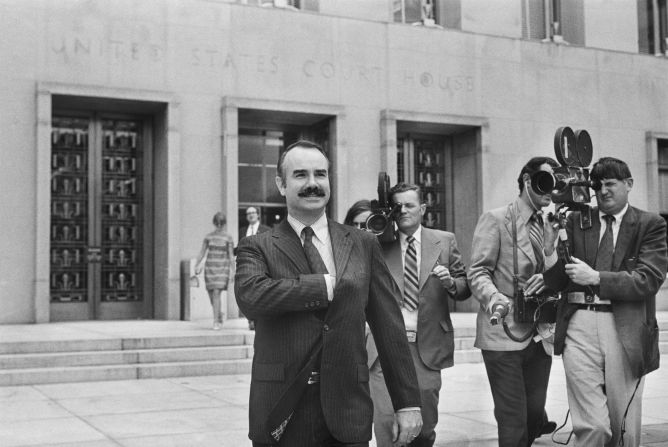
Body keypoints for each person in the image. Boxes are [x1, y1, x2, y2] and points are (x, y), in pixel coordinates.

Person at [235, 140, 423, 447]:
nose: (313, 184)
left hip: (348, 411)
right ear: (281, 185)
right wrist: (323, 286)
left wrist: (407, 402)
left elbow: (389, 327)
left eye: (320, 174)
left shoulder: (363, 243)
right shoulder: (257, 246)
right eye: (300, 175)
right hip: (282, 411)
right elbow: (251, 297)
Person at [543, 157, 668, 446]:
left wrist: (597, 277)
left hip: (624, 328)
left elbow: (648, 280)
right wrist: (550, 247)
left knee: (622, 427)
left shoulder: (650, 224)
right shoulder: (577, 221)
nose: (604, 191)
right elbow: (557, 281)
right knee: (593, 428)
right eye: (598, 185)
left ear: (629, 184)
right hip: (579, 327)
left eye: (611, 184)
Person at [364, 183, 470, 447]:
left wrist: (450, 283)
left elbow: (464, 285)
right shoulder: (379, 242)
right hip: (384, 348)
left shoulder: (444, 240)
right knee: (387, 425)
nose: (404, 211)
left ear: (422, 208)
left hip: (427, 346)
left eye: (409, 205)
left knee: (423, 427)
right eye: (397, 206)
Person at [468, 157, 561, 446]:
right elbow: (478, 270)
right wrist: (494, 299)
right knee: (513, 419)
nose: (551, 190)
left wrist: (550, 250)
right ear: (525, 180)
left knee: (534, 416)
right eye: (545, 182)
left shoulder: (550, 224)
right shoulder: (496, 219)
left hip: (539, 332)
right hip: (504, 332)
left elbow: (556, 273)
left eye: (556, 185)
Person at [195, 212, 234, 330]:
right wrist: (196, 265)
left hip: (222, 268)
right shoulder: (208, 237)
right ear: (214, 223)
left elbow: (231, 255)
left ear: (224, 224)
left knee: (217, 293)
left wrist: (234, 271)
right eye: (217, 223)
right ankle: (219, 315)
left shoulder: (228, 237)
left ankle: (216, 321)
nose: (219, 225)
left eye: (221, 223)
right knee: (211, 295)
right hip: (210, 268)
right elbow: (202, 252)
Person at [238, 206, 271, 330]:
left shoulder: (266, 230)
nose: (250, 215)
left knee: (260, 294)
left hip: (262, 267)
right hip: (246, 268)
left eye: (253, 213)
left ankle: (258, 320)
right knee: (247, 295)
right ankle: (251, 320)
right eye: (248, 214)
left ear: (258, 215)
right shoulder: (242, 231)